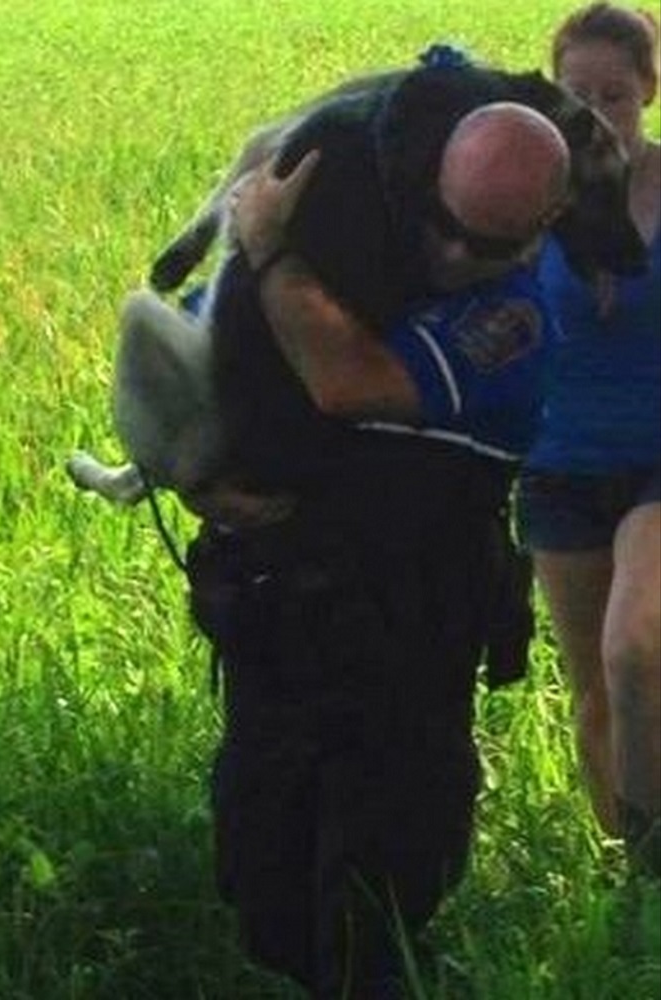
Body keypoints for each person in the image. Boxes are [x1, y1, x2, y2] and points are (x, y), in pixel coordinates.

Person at [183, 98, 571, 997]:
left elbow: (346, 380)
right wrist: (194, 474)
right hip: (279, 628)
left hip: (409, 642)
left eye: (488, 244)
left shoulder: (518, 318)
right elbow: (197, 360)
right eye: (446, 228)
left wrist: (271, 249)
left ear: (546, 223)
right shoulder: (354, 244)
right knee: (263, 880)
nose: (457, 258)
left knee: (378, 899)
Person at [517, 3, 661, 878]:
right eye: (581, 96)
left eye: (617, 94)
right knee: (598, 695)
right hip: (560, 466)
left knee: (635, 648)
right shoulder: (526, 194)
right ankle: (629, 886)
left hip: (657, 463)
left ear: (650, 90)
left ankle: (652, 866)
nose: (600, 114)